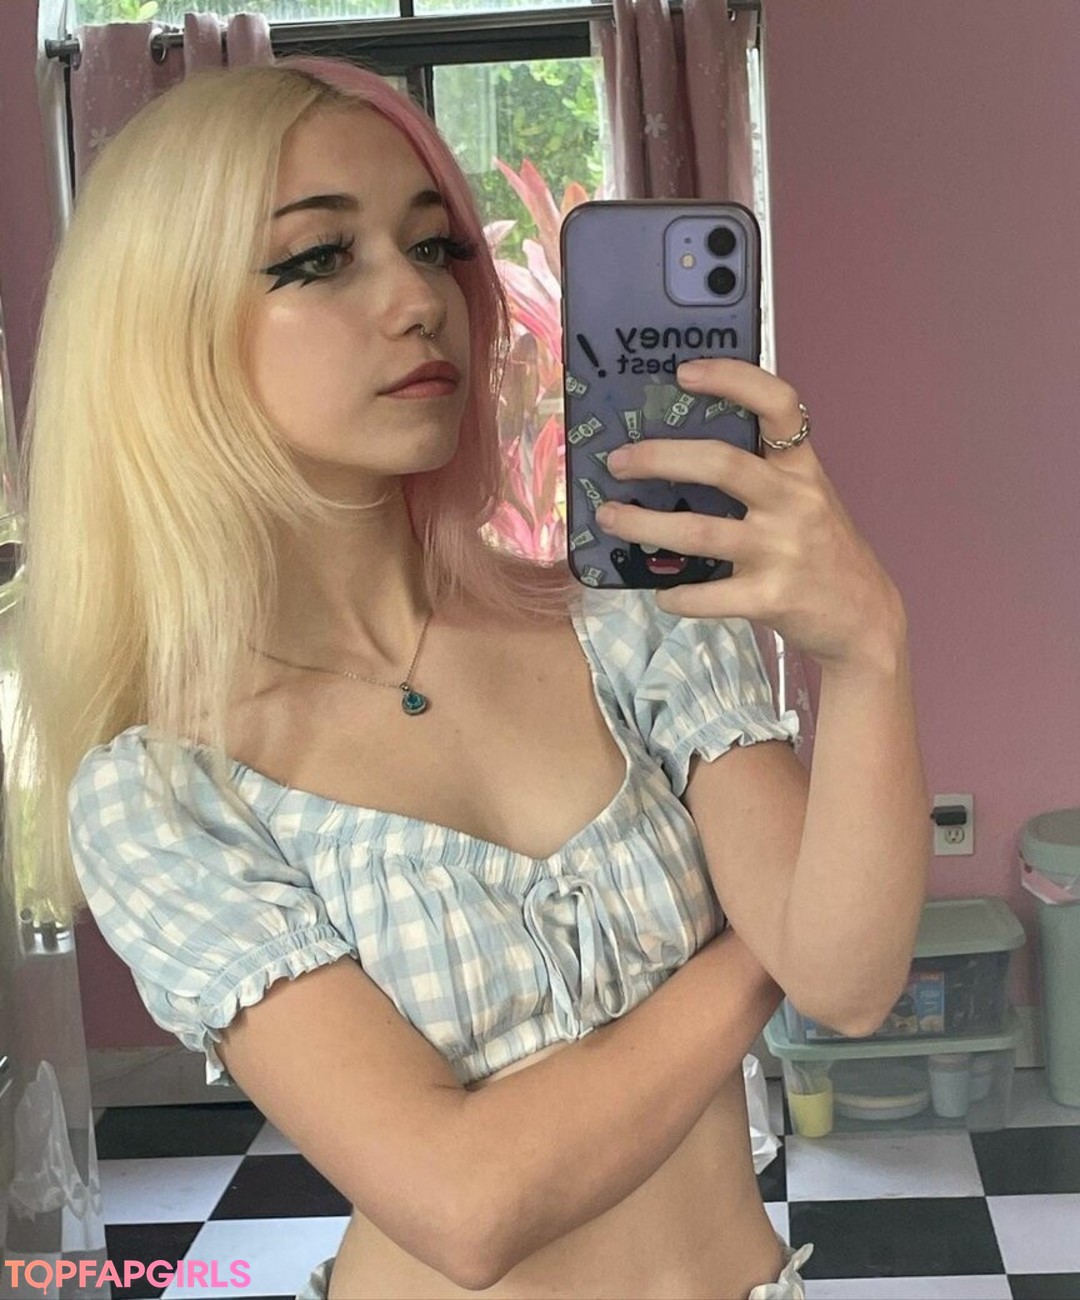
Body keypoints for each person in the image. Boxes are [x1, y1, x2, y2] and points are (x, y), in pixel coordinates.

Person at [7, 54, 930, 1300]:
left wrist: (868, 648)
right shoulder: (167, 791)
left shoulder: (626, 622)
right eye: (318, 258)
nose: (419, 298)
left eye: (434, 245)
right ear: (164, 330)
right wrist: (755, 942)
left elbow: (849, 979)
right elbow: (469, 1203)